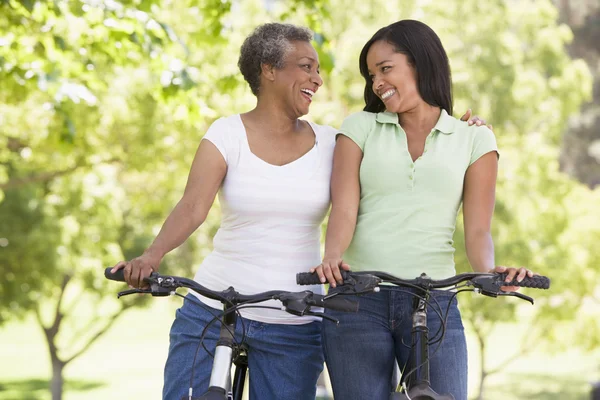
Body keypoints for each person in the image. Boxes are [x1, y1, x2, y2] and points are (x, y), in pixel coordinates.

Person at [111, 22, 487, 400]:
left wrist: (463, 129)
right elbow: (193, 207)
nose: (317, 78)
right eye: (306, 66)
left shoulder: (331, 142)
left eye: (318, 69)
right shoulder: (225, 134)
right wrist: (151, 256)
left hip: (294, 315)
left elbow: (386, 177)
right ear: (269, 70)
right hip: (213, 306)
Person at [311, 20, 534, 400]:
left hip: (434, 303)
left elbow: (478, 230)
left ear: (420, 62)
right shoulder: (360, 127)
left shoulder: (475, 138)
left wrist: (490, 274)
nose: (377, 82)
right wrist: (332, 259)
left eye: (386, 68)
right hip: (356, 300)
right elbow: (344, 209)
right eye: (371, 75)